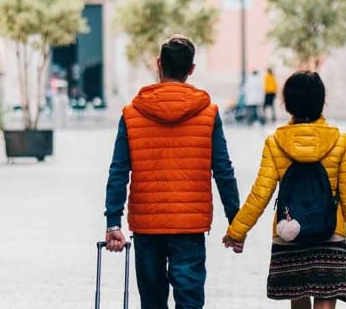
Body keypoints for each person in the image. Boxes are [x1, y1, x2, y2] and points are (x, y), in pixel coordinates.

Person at [103, 35, 242, 309]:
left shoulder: (132, 113)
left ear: (159, 64)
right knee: (189, 302)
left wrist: (113, 223)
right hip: (189, 226)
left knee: (152, 302)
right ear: (191, 69)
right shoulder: (208, 113)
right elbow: (223, 170)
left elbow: (119, 170)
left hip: (147, 225)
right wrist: (236, 222)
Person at [223, 71, 346, 309]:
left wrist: (237, 231)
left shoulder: (275, 143)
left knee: (298, 296)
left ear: (287, 104)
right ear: (321, 101)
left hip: (289, 233)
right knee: (326, 296)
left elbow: (260, 194)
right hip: (329, 235)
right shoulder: (341, 142)